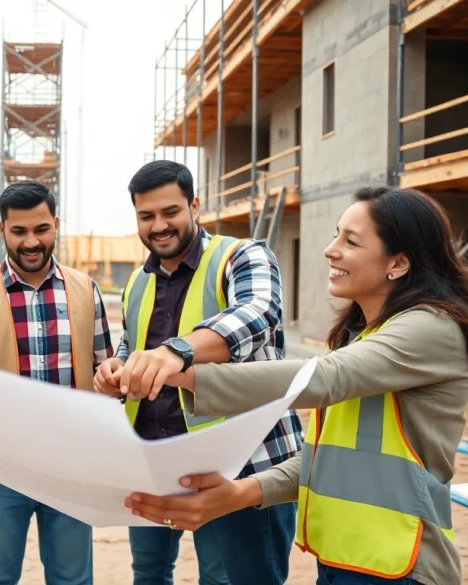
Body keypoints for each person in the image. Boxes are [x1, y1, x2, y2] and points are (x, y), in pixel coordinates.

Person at [121, 185, 468, 585]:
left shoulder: (430, 328)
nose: (330, 250)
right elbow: (324, 456)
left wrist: (181, 369)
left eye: (351, 241)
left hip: (399, 565)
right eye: (336, 235)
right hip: (343, 560)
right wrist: (241, 493)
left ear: (398, 263)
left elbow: (325, 378)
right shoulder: (365, 337)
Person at [92, 160, 302, 585]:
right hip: (154, 459)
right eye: (146, 216)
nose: (159, 226)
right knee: (149, 574)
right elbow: (133, 344)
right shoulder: (137, 282)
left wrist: (178, 352)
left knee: (233, 580)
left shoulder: (242, 255)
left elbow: (258, 312)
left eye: (170, 211)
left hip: (241, 465)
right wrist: (116, 369)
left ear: (194, 206)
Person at [0, 180, 114, 585]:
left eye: (41, 229)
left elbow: (105, 371)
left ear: (56, 224)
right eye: (19, 231)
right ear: (2, 230)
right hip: (3, 466)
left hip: (73, 464)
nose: (31, 242)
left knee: (73, 579)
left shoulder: (86, 290)